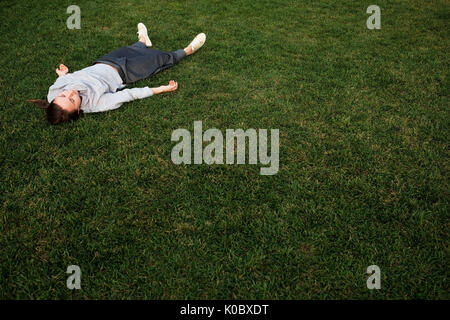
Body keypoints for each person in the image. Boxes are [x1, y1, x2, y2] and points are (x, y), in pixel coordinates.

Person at [28, 23, 206, 124]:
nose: (70, 92)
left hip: (104, 61)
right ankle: (188, 49)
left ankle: (143, 40)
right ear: (78, 111)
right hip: (126, 71)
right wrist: (160, 89)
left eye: (64, 94)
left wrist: (63, 74)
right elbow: (129, 94)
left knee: (132, 48)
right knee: (161, 60)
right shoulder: (96, 103)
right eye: (72, 100)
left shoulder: (54, 93)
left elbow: (63, 83)